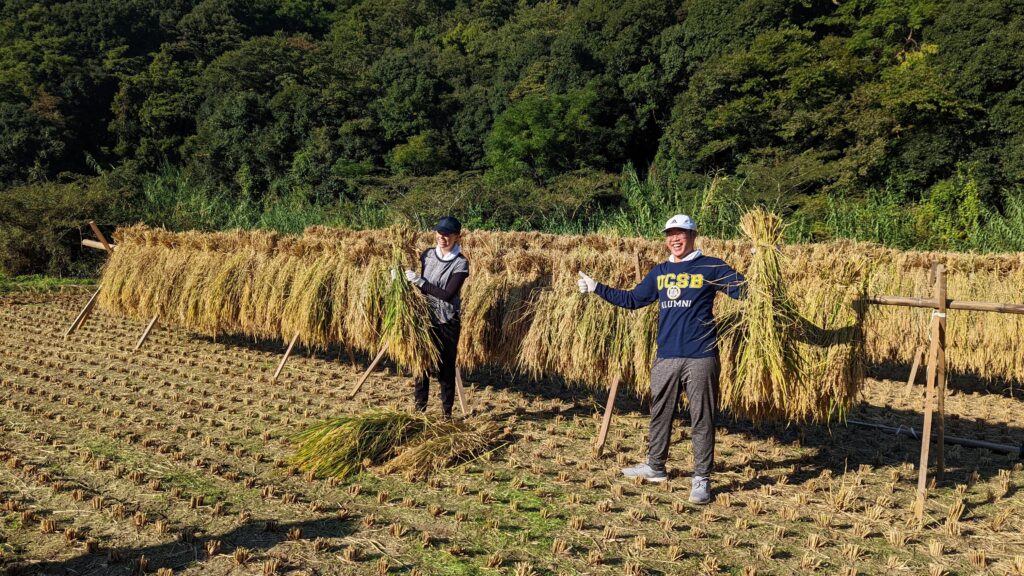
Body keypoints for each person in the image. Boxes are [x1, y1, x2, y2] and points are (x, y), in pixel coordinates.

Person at [577, 214, 744, 504]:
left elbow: (745, 291)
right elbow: (633, 300)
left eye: (681, 233)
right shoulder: (660, 272)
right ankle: (655, 467)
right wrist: (597, 288)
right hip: (666, 355)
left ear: (693, 235)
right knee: (660, 412)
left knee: (702, 418)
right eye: (670, 234)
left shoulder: (711, 266)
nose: (674, 239)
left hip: (701, 356)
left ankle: (701, 478)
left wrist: (764, 263)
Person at [402, 216, 469, 419]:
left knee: (445, 369)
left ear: (457, 237)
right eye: (440, 233)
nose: (442, 237)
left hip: (447, 321)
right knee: (421, 365)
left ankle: (446, 414)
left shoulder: (461, 263)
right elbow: (419, 288)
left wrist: (420, 281)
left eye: (448, 234)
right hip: (424, 319)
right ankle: (419, 411)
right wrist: (402, 279)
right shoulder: (427, 255)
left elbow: (447, 295)